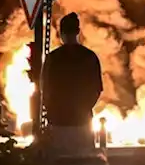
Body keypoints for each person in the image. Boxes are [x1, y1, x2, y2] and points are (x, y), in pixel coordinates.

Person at [42, 13, 104, 156]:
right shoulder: (90, 57)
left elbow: (45, 90)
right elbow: (96, 90)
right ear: (78, 31)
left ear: (61, 33)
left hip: (58, 123)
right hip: (82, 123)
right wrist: (84, 108)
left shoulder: (53, 58)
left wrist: (51, 110)